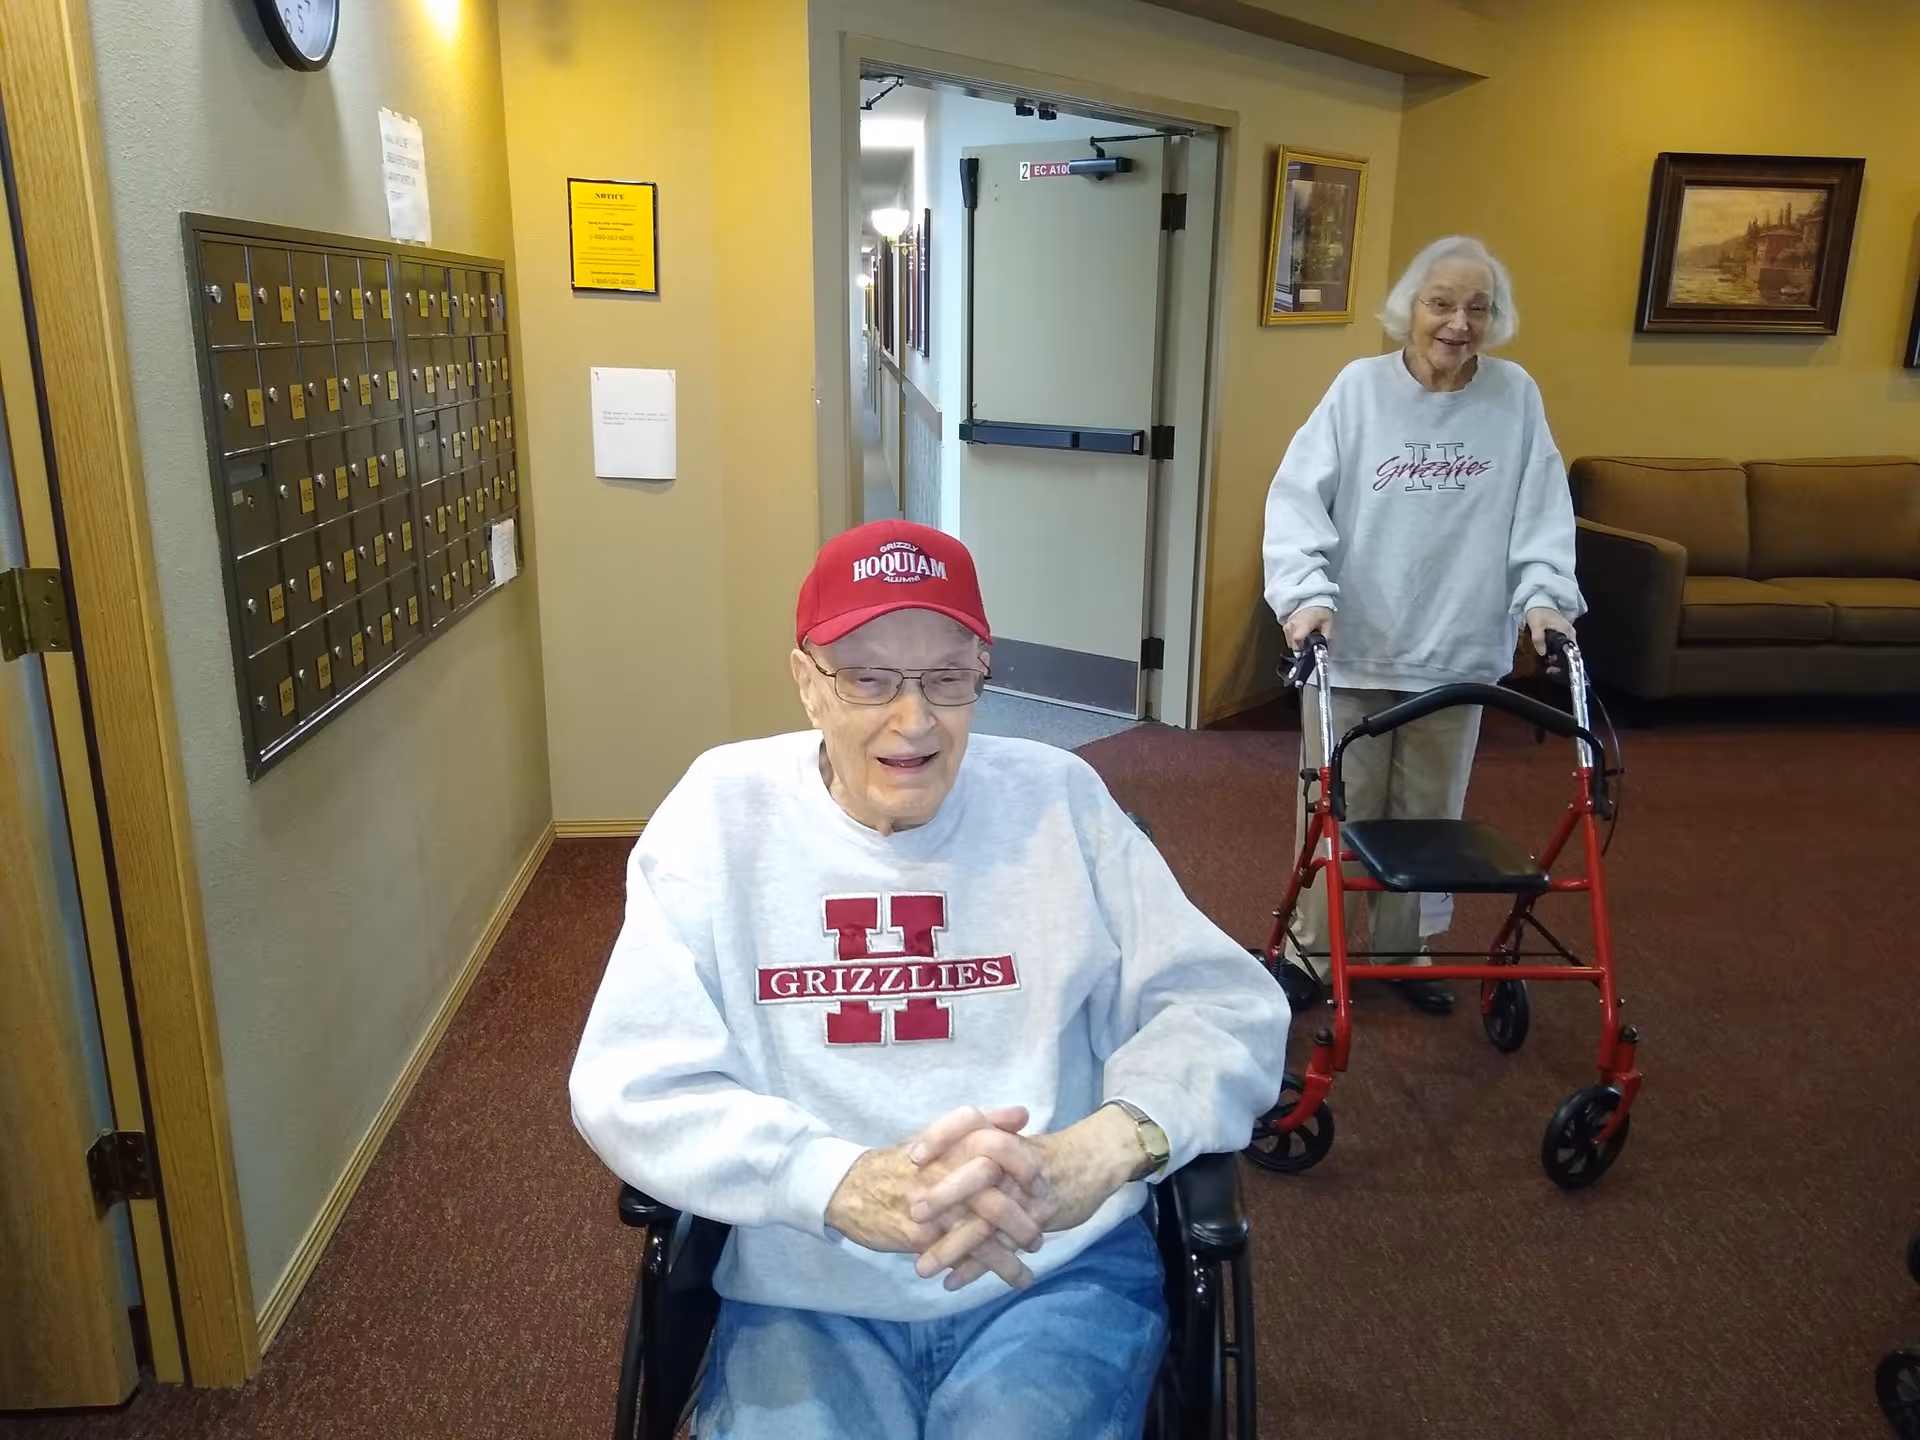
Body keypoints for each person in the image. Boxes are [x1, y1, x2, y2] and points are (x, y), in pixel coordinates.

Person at [570, 519, 1288, 1440]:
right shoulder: (719, 816)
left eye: (947, 678)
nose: (913, 722)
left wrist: (1102, 1150)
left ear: (983, 673)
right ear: (807, 682)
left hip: (1054, 1272)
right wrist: (834, 1180)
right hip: (810, 1286)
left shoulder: (1059, 801)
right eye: (868, 677)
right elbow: (631, 1078)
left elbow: (1227, 1007)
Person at [1261, 235, 1584, 1016]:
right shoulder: (1359, 390)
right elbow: (1296, 498)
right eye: (1442, 303)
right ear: (1410, 309)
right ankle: (1314, 955)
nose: (1458, 323)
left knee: (1430, 816)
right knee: (1339, 806)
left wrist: (1544, 595)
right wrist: (1304, 593)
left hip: (1455, 647)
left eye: (1478, 307)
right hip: (1353, 644)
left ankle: (1401, 952)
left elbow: (1541, 510)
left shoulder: (1513, 396)